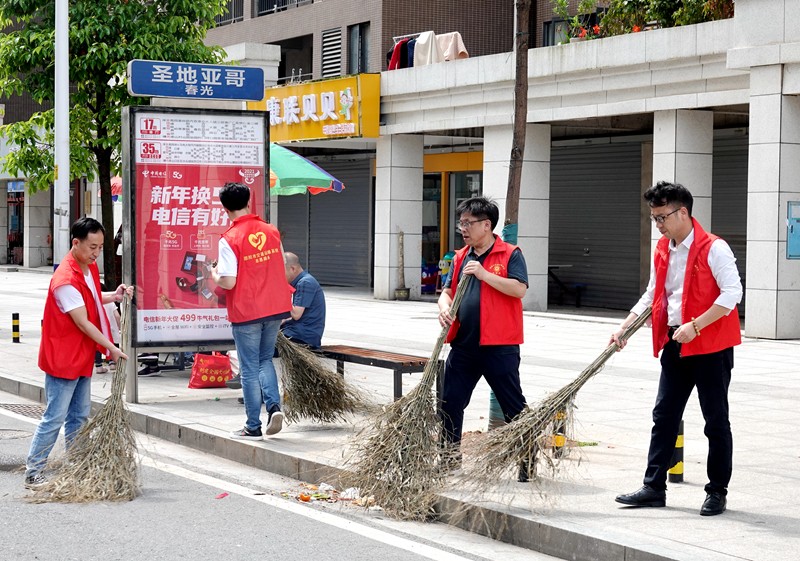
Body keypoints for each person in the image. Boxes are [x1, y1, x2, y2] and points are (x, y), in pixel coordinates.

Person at [611, 181, 742, 517]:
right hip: (674, 343)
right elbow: (653, 294)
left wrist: (696, 325)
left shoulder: (714, 248)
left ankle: (716, 492)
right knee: (664, 415)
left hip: (711, 347)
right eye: (654, 218)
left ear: (683, 212)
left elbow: (732, 294)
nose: (658, 224)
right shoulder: (663, 249)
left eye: (662, 217)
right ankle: (654, 487)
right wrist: (625, 326)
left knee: (715, 421)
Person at [25, 217, 131, 489]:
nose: (97, 253)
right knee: (55, 416)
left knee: (79, 415)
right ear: (76, 243)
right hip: (63, 357)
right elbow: (83, 320)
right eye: (92, 247)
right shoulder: (65, 280)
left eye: (100, 247)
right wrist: (112, 347)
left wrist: (114, 296)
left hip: (81, 354)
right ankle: (33, 470)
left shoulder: (86, 267)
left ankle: (76, 463)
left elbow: (93, 298)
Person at [437, 197, 529, 468]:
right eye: (461, 223)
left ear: (486, 225)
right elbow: (446, 291)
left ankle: (525, 461)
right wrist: (444, 307)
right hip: (464, 344)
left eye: (468, 223)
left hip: (499, 345)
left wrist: (484, 274)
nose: (462, 228)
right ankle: (449, 459)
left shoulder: (510, 253)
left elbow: (519, 289)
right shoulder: (460, 257)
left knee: (513, 407)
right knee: (449, 402)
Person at [210, 182, 293, 440]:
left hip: (247, 311)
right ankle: (275, 407)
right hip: (274, 308)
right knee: (264, 360)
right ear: (249, 202)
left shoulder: (229, 239)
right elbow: (280, 265)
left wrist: (214, 274)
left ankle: (253, 426)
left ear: (225, 208)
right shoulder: (271, 231)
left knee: (248, 368)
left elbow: (229, 281)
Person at [281, 252, 326, 349]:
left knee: (263, 347)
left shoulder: (305, 283)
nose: (280, 276)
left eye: (281, 272)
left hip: (302, 337)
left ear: (292, 269)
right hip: (298, 332)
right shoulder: (302, 282)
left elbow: (296, 314)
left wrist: (282, 295)